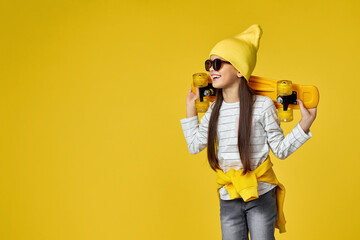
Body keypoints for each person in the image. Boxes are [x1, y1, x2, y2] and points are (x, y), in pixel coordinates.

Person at [179, 24, 317, 240]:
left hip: (260, 195)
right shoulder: (215, 109)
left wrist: (305, 124)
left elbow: (280, 150)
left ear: (240, 70)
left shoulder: (262, 106)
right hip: (229, 198)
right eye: (208, 64)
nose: (210, 70)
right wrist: (190, 108)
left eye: (217, 64)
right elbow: (194, 145)